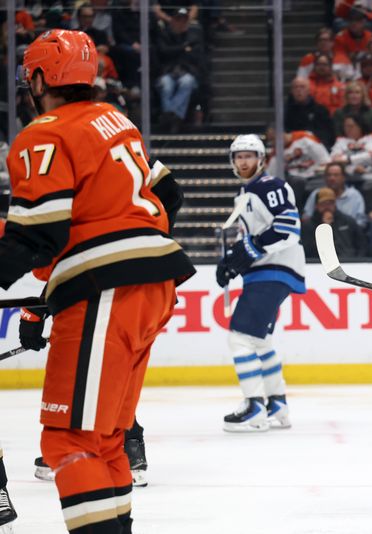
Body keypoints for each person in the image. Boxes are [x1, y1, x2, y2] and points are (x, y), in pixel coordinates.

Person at [0, 30, 195, 533]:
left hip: (106, 291)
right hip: (155, 284)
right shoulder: (116, 122)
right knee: (106, 439)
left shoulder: (43, 134)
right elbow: (169, 193)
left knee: (68, 441)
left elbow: (36, 237)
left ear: (40, 78)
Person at [216, 135, 306, 432]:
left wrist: (249, 249)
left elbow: (288, 227)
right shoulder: (245, 194)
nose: (243, 161)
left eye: (249, 156)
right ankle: (277, 403)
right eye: (238, 156)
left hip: (275, 268)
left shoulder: (270, 186)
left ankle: (254, 406)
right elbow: (252, 239)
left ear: (261, 159)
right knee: (258, 339)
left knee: (239, 336)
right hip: (266, 270)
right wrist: (232, 260)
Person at [301, 187, 366, 259]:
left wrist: (357, 261)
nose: (327, 207)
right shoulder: (308, 226)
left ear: (335, 204)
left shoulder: (347, 221)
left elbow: (362, 245)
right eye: (323, 204)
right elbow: (307, 251)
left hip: (348, 262)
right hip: (319, 264)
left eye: (330, 203)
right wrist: (325, 228)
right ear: (316, 206)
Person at [303, 162, 368, 227]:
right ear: (325, 178)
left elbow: (360, 222)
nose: (332, 178)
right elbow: (306, 218)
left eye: (336, 175)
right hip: (320, 232)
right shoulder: (317, 194)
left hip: (347, 234)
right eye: (329, 175)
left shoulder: (354, 195)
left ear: (343, 177)